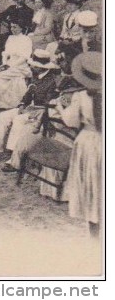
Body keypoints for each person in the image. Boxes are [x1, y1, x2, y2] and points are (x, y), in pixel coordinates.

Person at [0, 50, 61, 162]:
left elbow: (48, 103)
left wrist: (29, 109)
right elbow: (27, 94)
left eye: (34, 65)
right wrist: (22, 104)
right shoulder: (36, 76)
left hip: (40, 112)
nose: (31, 66)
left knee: (18, 120)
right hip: (29, 109)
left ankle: (14, 154)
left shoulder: (52, 81)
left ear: (41, 67)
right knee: (4, 115)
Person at [58, 52, 102, 237]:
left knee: (92, 186)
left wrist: (61, 108)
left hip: (90, 142)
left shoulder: (81, 96)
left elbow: (71, 121)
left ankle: (95, 230)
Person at [0, 19, 33, 109]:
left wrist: (12, 65)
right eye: (11, 27)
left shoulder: (26, 39)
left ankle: (7, 103)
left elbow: (24, 57)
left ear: (21, 28)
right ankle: (3, 103)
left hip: (21, 66)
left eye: (15, 27)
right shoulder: (10, 38)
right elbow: (6, 53)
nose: (12, 29)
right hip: (10, 64)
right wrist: (5, 63)